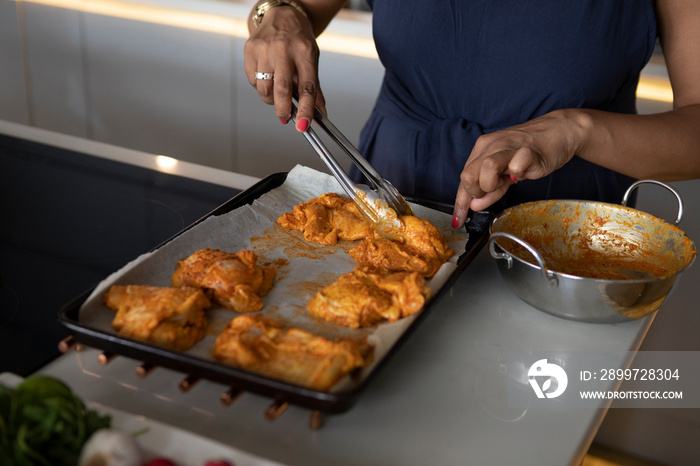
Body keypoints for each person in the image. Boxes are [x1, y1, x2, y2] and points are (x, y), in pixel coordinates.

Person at [244, 0, 700, 229]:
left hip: (566, 231)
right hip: (390, 194)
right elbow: (290, 9)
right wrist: (279, 16)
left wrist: (576, 129)